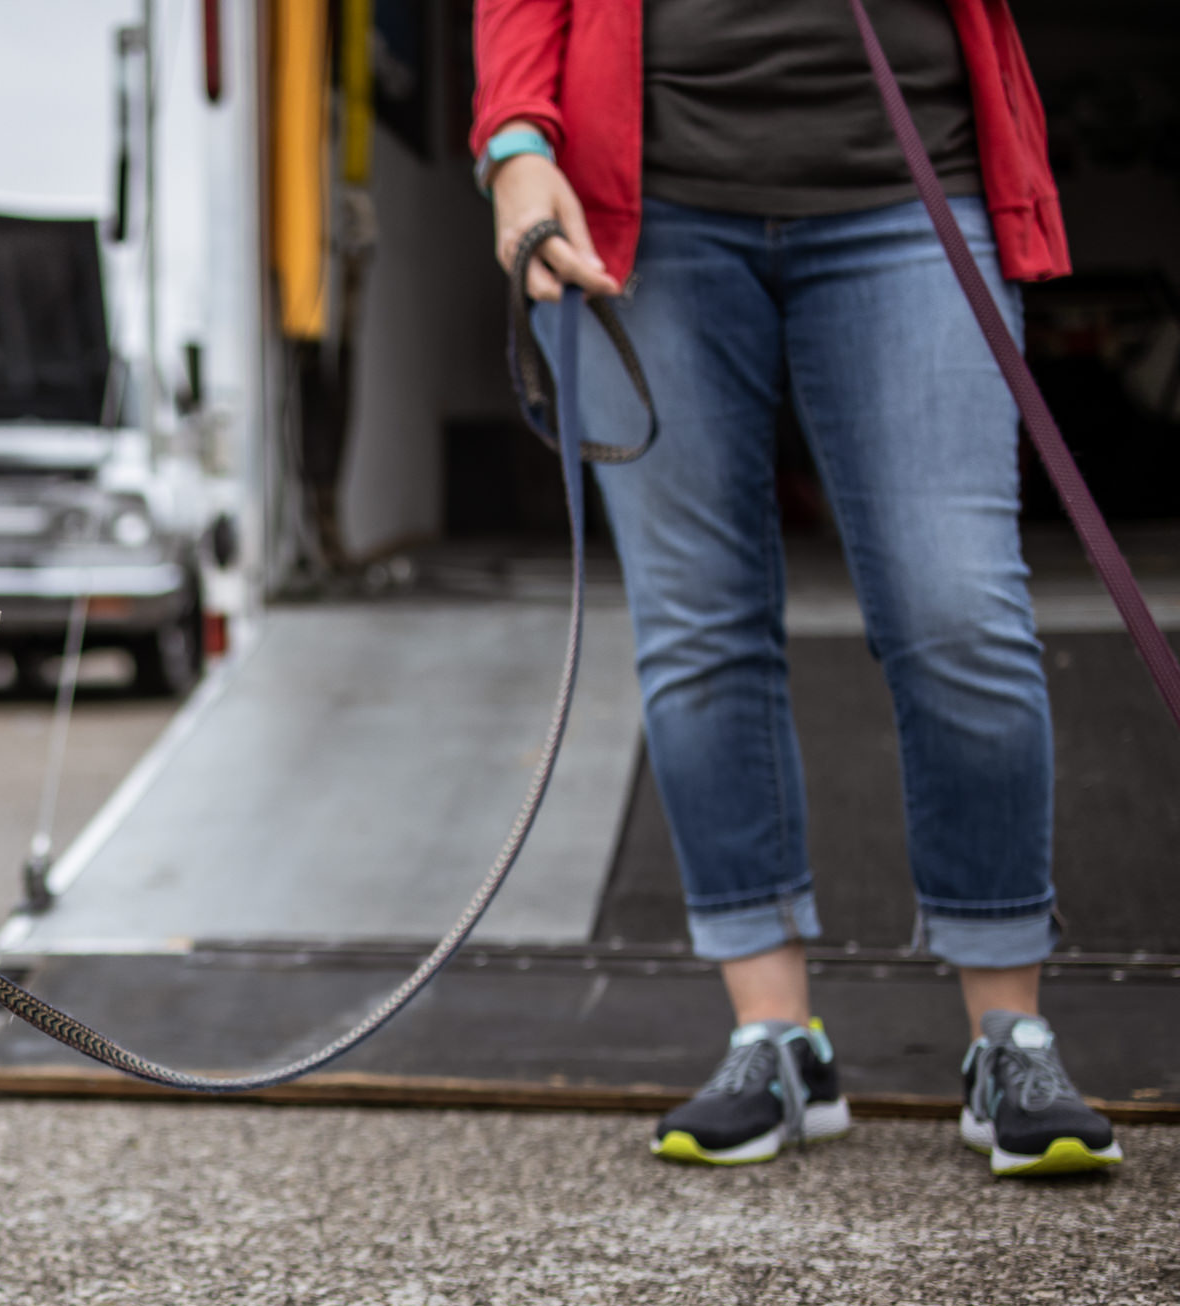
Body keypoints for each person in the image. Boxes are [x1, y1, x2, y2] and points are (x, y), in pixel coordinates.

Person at [470, 0, 1118, 1178]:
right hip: (645, 206)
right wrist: (515, 142)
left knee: (956, 608)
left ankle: (1008, 1039)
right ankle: (774, 1040)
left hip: (910, 184)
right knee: (697, 629)